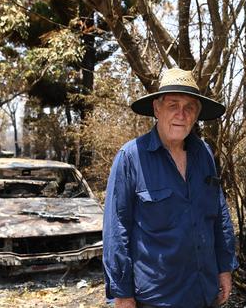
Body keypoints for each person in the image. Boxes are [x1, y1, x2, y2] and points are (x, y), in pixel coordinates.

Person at [102, 68, 238, 308]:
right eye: (173, 105)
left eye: (190, 107)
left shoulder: (204, 153)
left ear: (197, 115)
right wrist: (122, 294)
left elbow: (219, 215)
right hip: (157, 298)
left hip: (204, 292)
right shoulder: (131, 157)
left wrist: (225, 267)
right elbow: (116, 230)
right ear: (157, 109)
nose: (181, 114)